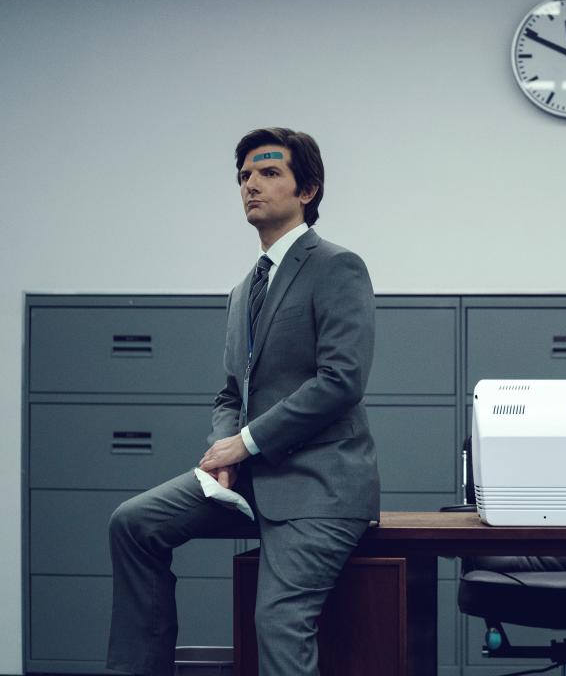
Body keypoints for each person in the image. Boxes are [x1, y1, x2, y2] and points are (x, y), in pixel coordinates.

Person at [107, 127, 379, 676]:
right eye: (244, 176)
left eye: (269, 172)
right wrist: (221, 455)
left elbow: (340, 380)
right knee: (133, 524)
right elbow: (231, 392)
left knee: (277, 623)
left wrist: (245, 443)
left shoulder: (336, 267)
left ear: (309, 190)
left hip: (318, 485)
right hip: (247, 477)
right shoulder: (243, 290)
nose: (251, 185)